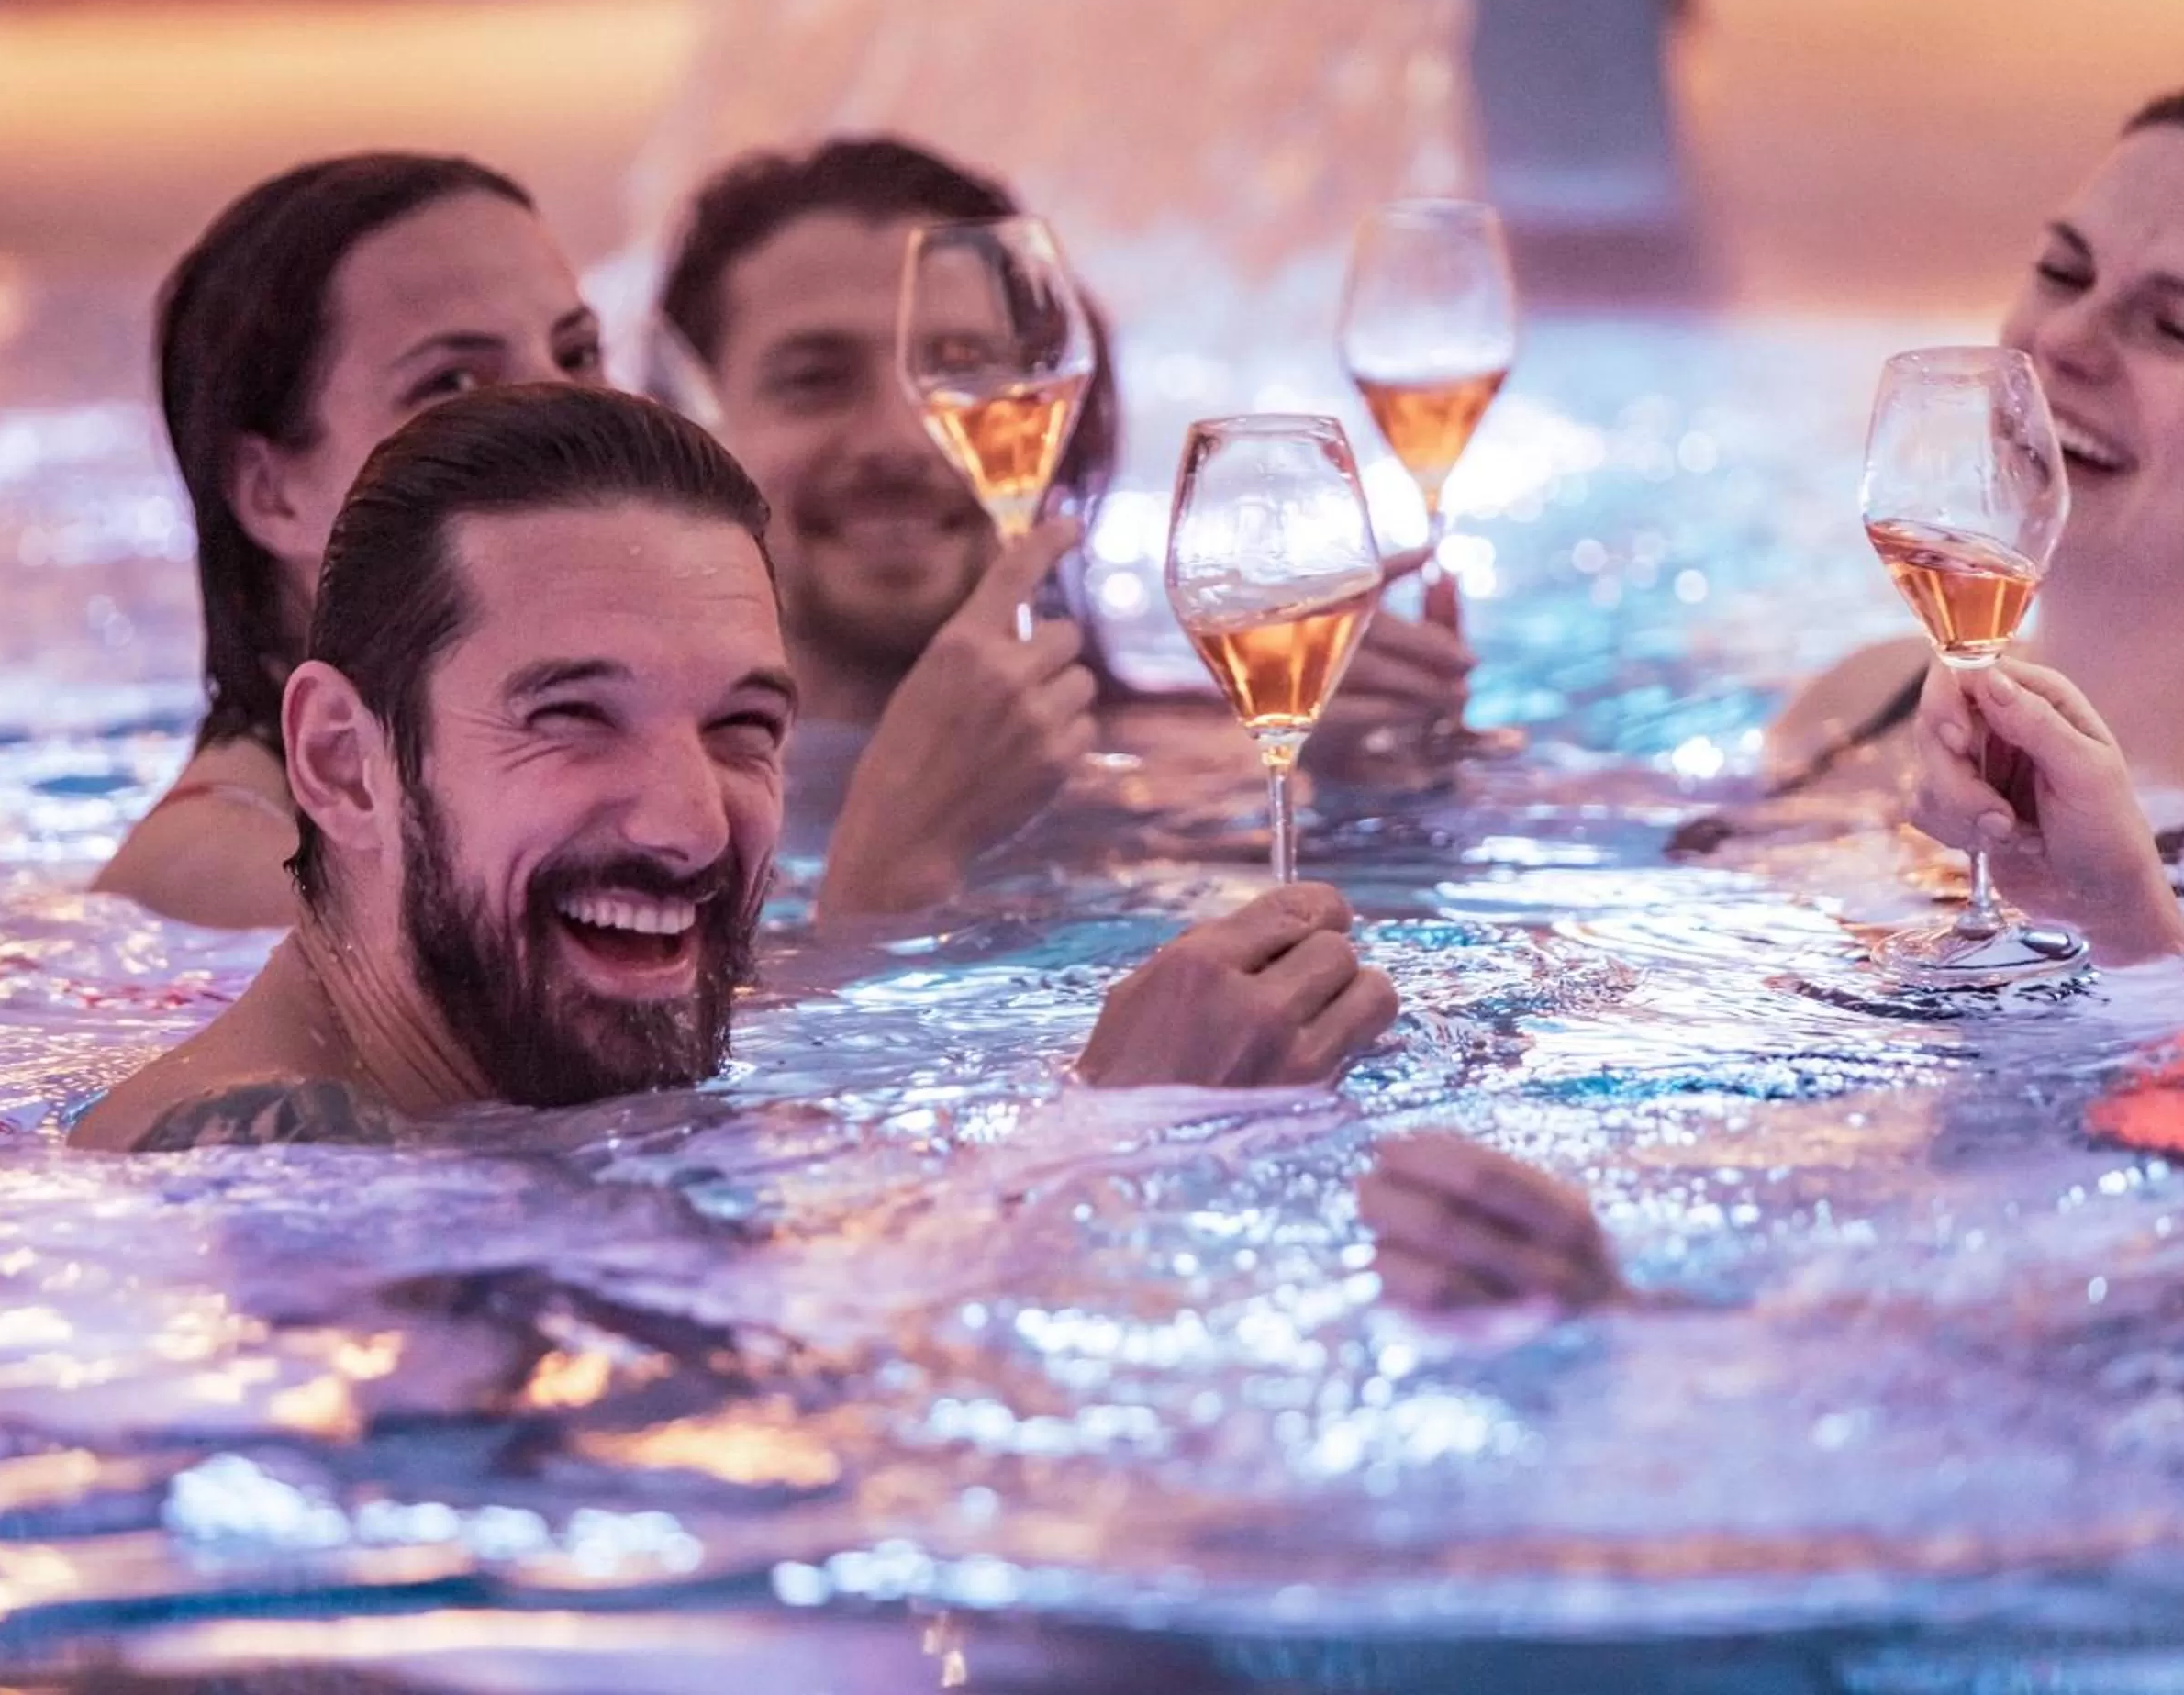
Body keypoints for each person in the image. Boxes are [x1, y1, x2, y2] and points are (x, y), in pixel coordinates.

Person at [69, 384, 1406, 1153]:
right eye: (573, 717)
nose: (688, 821)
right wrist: (1117, 1129)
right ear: (342, 765)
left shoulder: (505, 1075)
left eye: (741, 727)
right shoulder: (251, 1153)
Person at [653, 136, 1478, 920]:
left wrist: (1370, 799)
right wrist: (891, 874)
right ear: (681, 425)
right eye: (814, 380)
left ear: (1061, 422)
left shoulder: (1216, 758)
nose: (901, 439)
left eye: (963, 372)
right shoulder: (632, 805)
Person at [1764, 85, 2184, 965]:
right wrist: (1459, 743)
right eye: (2064, 271)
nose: (2063, 337)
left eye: (2178, 328)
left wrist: (2123, 923)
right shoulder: (1857, 714)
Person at [93, 152, 608, 930]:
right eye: (454, 384)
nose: (575, 419)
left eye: (575, 356)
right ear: (272, 493)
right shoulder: (214, 879)